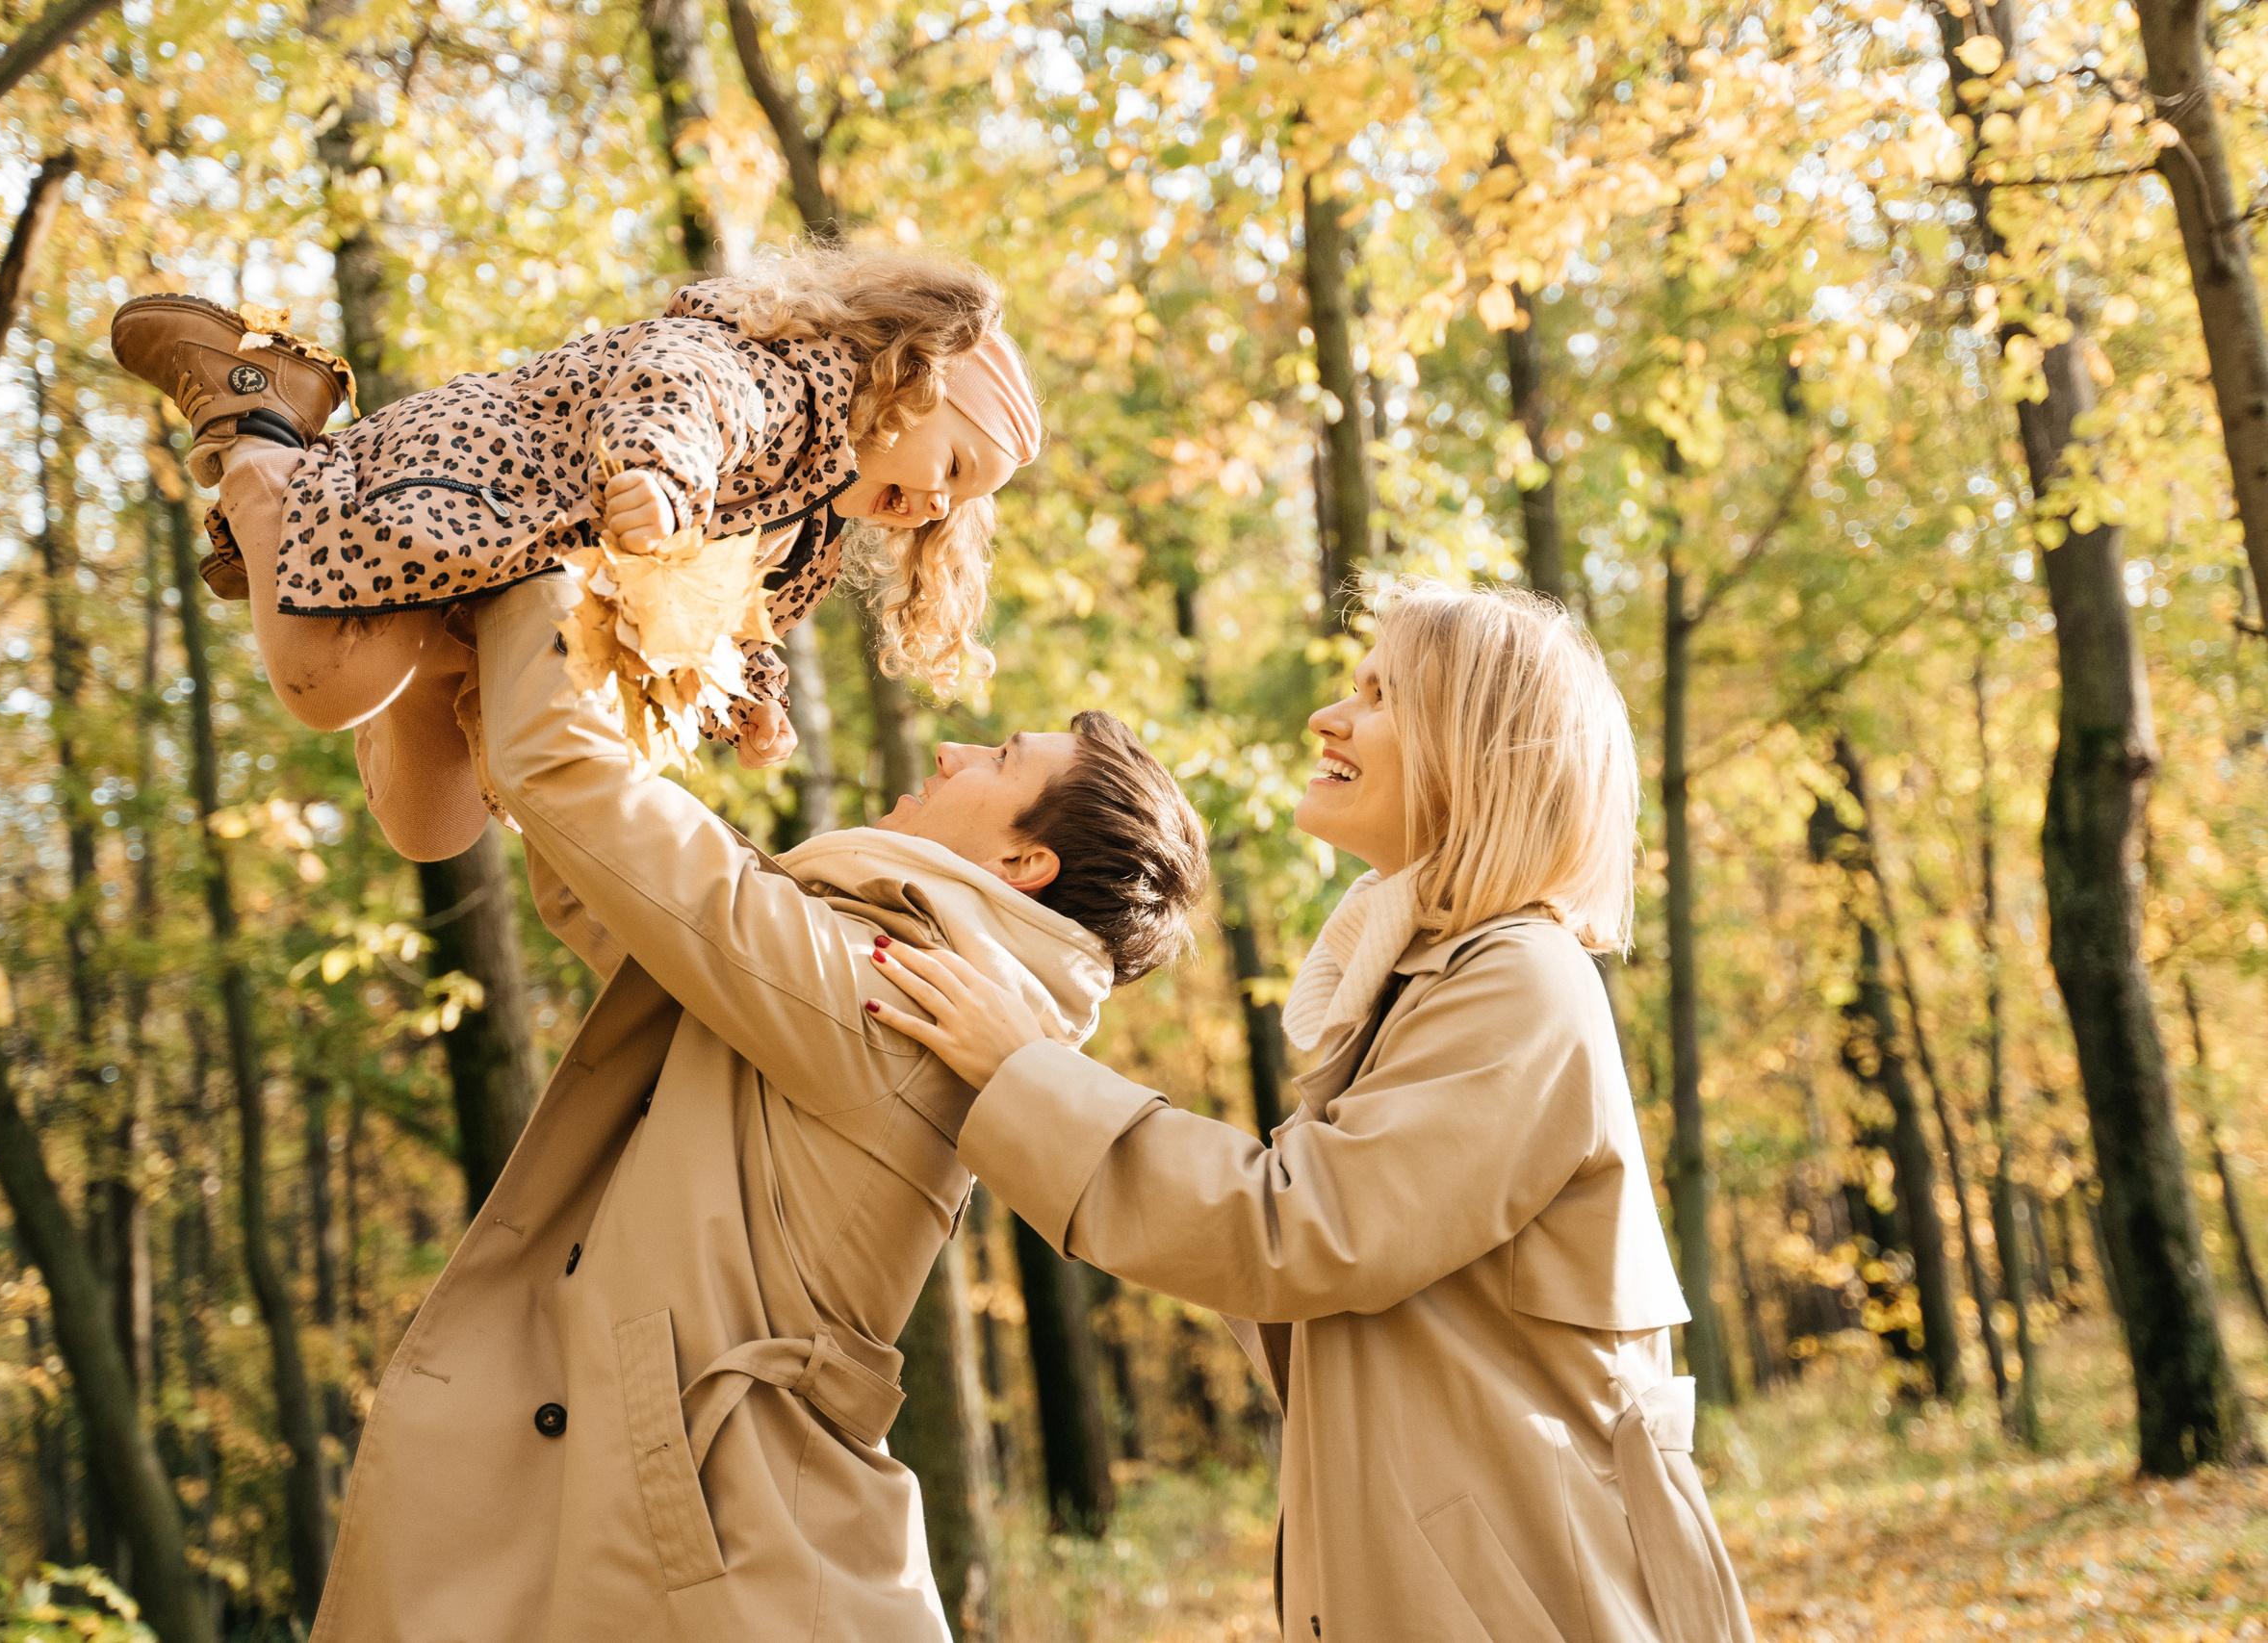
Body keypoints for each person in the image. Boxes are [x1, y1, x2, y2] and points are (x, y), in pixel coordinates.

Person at [304, 569, 1210, 1642]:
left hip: (746, 1565)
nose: (955, 752)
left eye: (1001, 761)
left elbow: (581, 792)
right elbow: (601, 885)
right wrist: (479, 667)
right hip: (709, 1528)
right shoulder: (877, 962)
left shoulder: (892, 998)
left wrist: (528, 555)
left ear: (1023, 862)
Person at [865, 580, 1757, 1643]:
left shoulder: (1517, 980)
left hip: (1523, 1595)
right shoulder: (1419, 992)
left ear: (1474, 748)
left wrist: (1024, 1075)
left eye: (1381, 694)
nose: (1328, 716)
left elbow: (1298, 1233)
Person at [108, 244, 1042, 858]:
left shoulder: (808, 535)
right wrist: (664, 480)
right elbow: (681, 391)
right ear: (910, 373)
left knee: (430, 831)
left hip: (498, 597)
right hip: (471, 489)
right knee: (324, 678)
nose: (932, 503)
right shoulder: (775, 377)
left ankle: (418, 647)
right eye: (952, 463)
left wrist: (750, 701)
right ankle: (259, 424)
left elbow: (719, 617)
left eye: (955, 503)